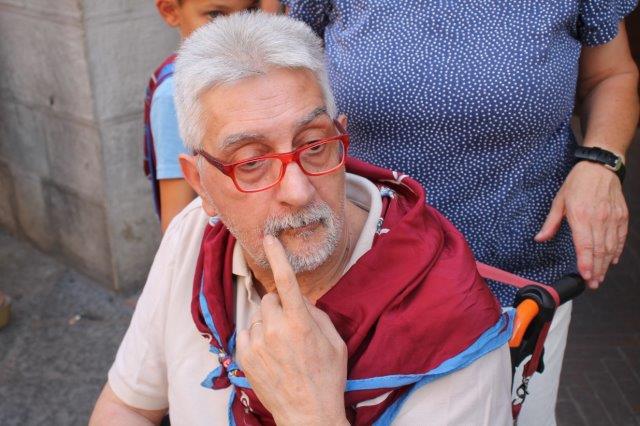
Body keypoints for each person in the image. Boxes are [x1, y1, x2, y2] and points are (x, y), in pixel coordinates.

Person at [91, 13, 516, 425]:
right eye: (252, 162)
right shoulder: (193, 237)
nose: (298, 191)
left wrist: (311, 414)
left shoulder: (450, 324)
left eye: (314, 146)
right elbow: (128, 407)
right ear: (201, 183)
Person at [282, 1, 640, 424]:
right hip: (362, 285)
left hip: (515, 287)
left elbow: (610, 75)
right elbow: (277, 77)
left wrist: (601, 162)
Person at [146, 0, 260, 232]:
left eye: (250, 11)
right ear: (170, 10)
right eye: (216, 15)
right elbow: (176, 223)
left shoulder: (259, 74)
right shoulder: (173, 95)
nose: (236, 28)